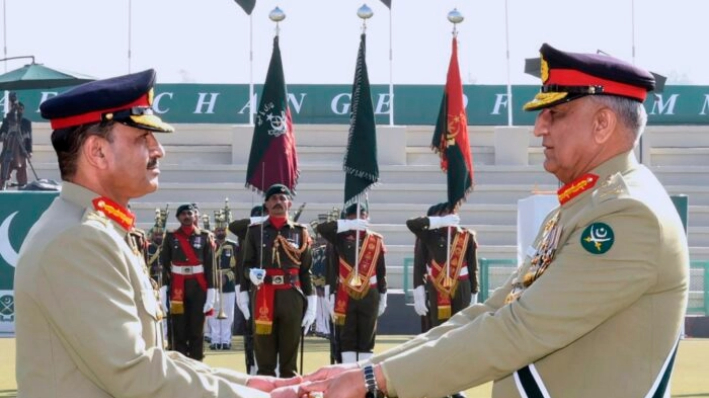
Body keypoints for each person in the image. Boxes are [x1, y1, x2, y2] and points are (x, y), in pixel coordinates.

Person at [293, 43, 689, 398]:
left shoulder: (628, 214)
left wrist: (374, 380)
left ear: (603, 124)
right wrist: (368, 370)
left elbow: (519, 328)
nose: (539, 128)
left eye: (556, 113)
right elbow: (491, 313)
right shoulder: (581, 207)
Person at [15, 69, 299, 397]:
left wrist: (250, 383)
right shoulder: (79, 240)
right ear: (97, 152)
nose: (158, 149)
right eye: (142, 138)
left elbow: (152, 359)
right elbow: (134, 373)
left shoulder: (96, 229)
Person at [239, 184, 317, 378]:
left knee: (289, 360)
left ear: (289, 203)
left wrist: (312, 303)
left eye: (282, 199)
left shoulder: (299, 232)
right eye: (273, 199)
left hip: (291, 296)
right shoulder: (255, 231)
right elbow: (245, 265)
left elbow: (305, 270)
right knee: (264, 358)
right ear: (266, 203)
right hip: (264, 294)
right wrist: (251, 274)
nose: (278, 203)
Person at [316, 202, 387, 364]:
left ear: (367, 217)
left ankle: (363, 378)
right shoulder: (339, 237)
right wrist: (347, 225)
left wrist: (383, 294)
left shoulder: (375, 240)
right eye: (353, 216)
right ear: (347, 218)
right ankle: (347, 373)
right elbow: (322, 229)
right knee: (346, 337)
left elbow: (381, 271)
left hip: (370, 293)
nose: (358, 218)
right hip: (344, 294)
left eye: (362, 215)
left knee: (367, 337)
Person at [407, 201, 478, 332]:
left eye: (452, 212)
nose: (449, 215)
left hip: (462, 285)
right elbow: (419, 266)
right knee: (439, 328)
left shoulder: (466, 236)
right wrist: (439, 221)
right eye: (445, 213)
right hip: (437, 285)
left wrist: (474, 292)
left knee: (461, 326)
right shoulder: (431, 235)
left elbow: (472, 267)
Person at [161, 202, 216, 361]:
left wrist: (212, 293)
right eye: (183, 214)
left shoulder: (204, 237)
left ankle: (197, 362)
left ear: (195, 216)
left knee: (197, 328)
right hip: (177, 287)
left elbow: (210, 267)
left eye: (189, 213)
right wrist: (163, 291)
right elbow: (165, 265)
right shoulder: (171, 237)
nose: (186, 216)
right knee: (178, 328)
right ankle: (179, 362)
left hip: (198, 287)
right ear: (178, 217)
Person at [229, 204, 268, 374]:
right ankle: (251, 369)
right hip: (248, 290)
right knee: (250, 333)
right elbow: (233, 225)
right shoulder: (245, 234)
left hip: (270, 292)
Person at [209, 212, 239, 350]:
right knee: (214, 312)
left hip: (228, 282)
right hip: (213, 282)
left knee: (228, 313)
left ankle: (226, 340)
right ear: (215, 231)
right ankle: (215, 339)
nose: (220, 232)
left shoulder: (233, 246)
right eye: (218, 230)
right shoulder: (209, 246)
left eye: (223, 230)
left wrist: (227, 277)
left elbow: (237, 266)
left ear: (226, 231)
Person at [0, 96, 33, 189]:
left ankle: (23, 190)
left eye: (20, 109)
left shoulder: (26, 122)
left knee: (23, 175)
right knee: (3, 174)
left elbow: (29, 138)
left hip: (20, 151)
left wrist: (29, 151)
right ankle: (2, 190)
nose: (18, 111)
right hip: (8, 150)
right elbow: (0, 135)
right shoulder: (7, 121)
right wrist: (4, 135)